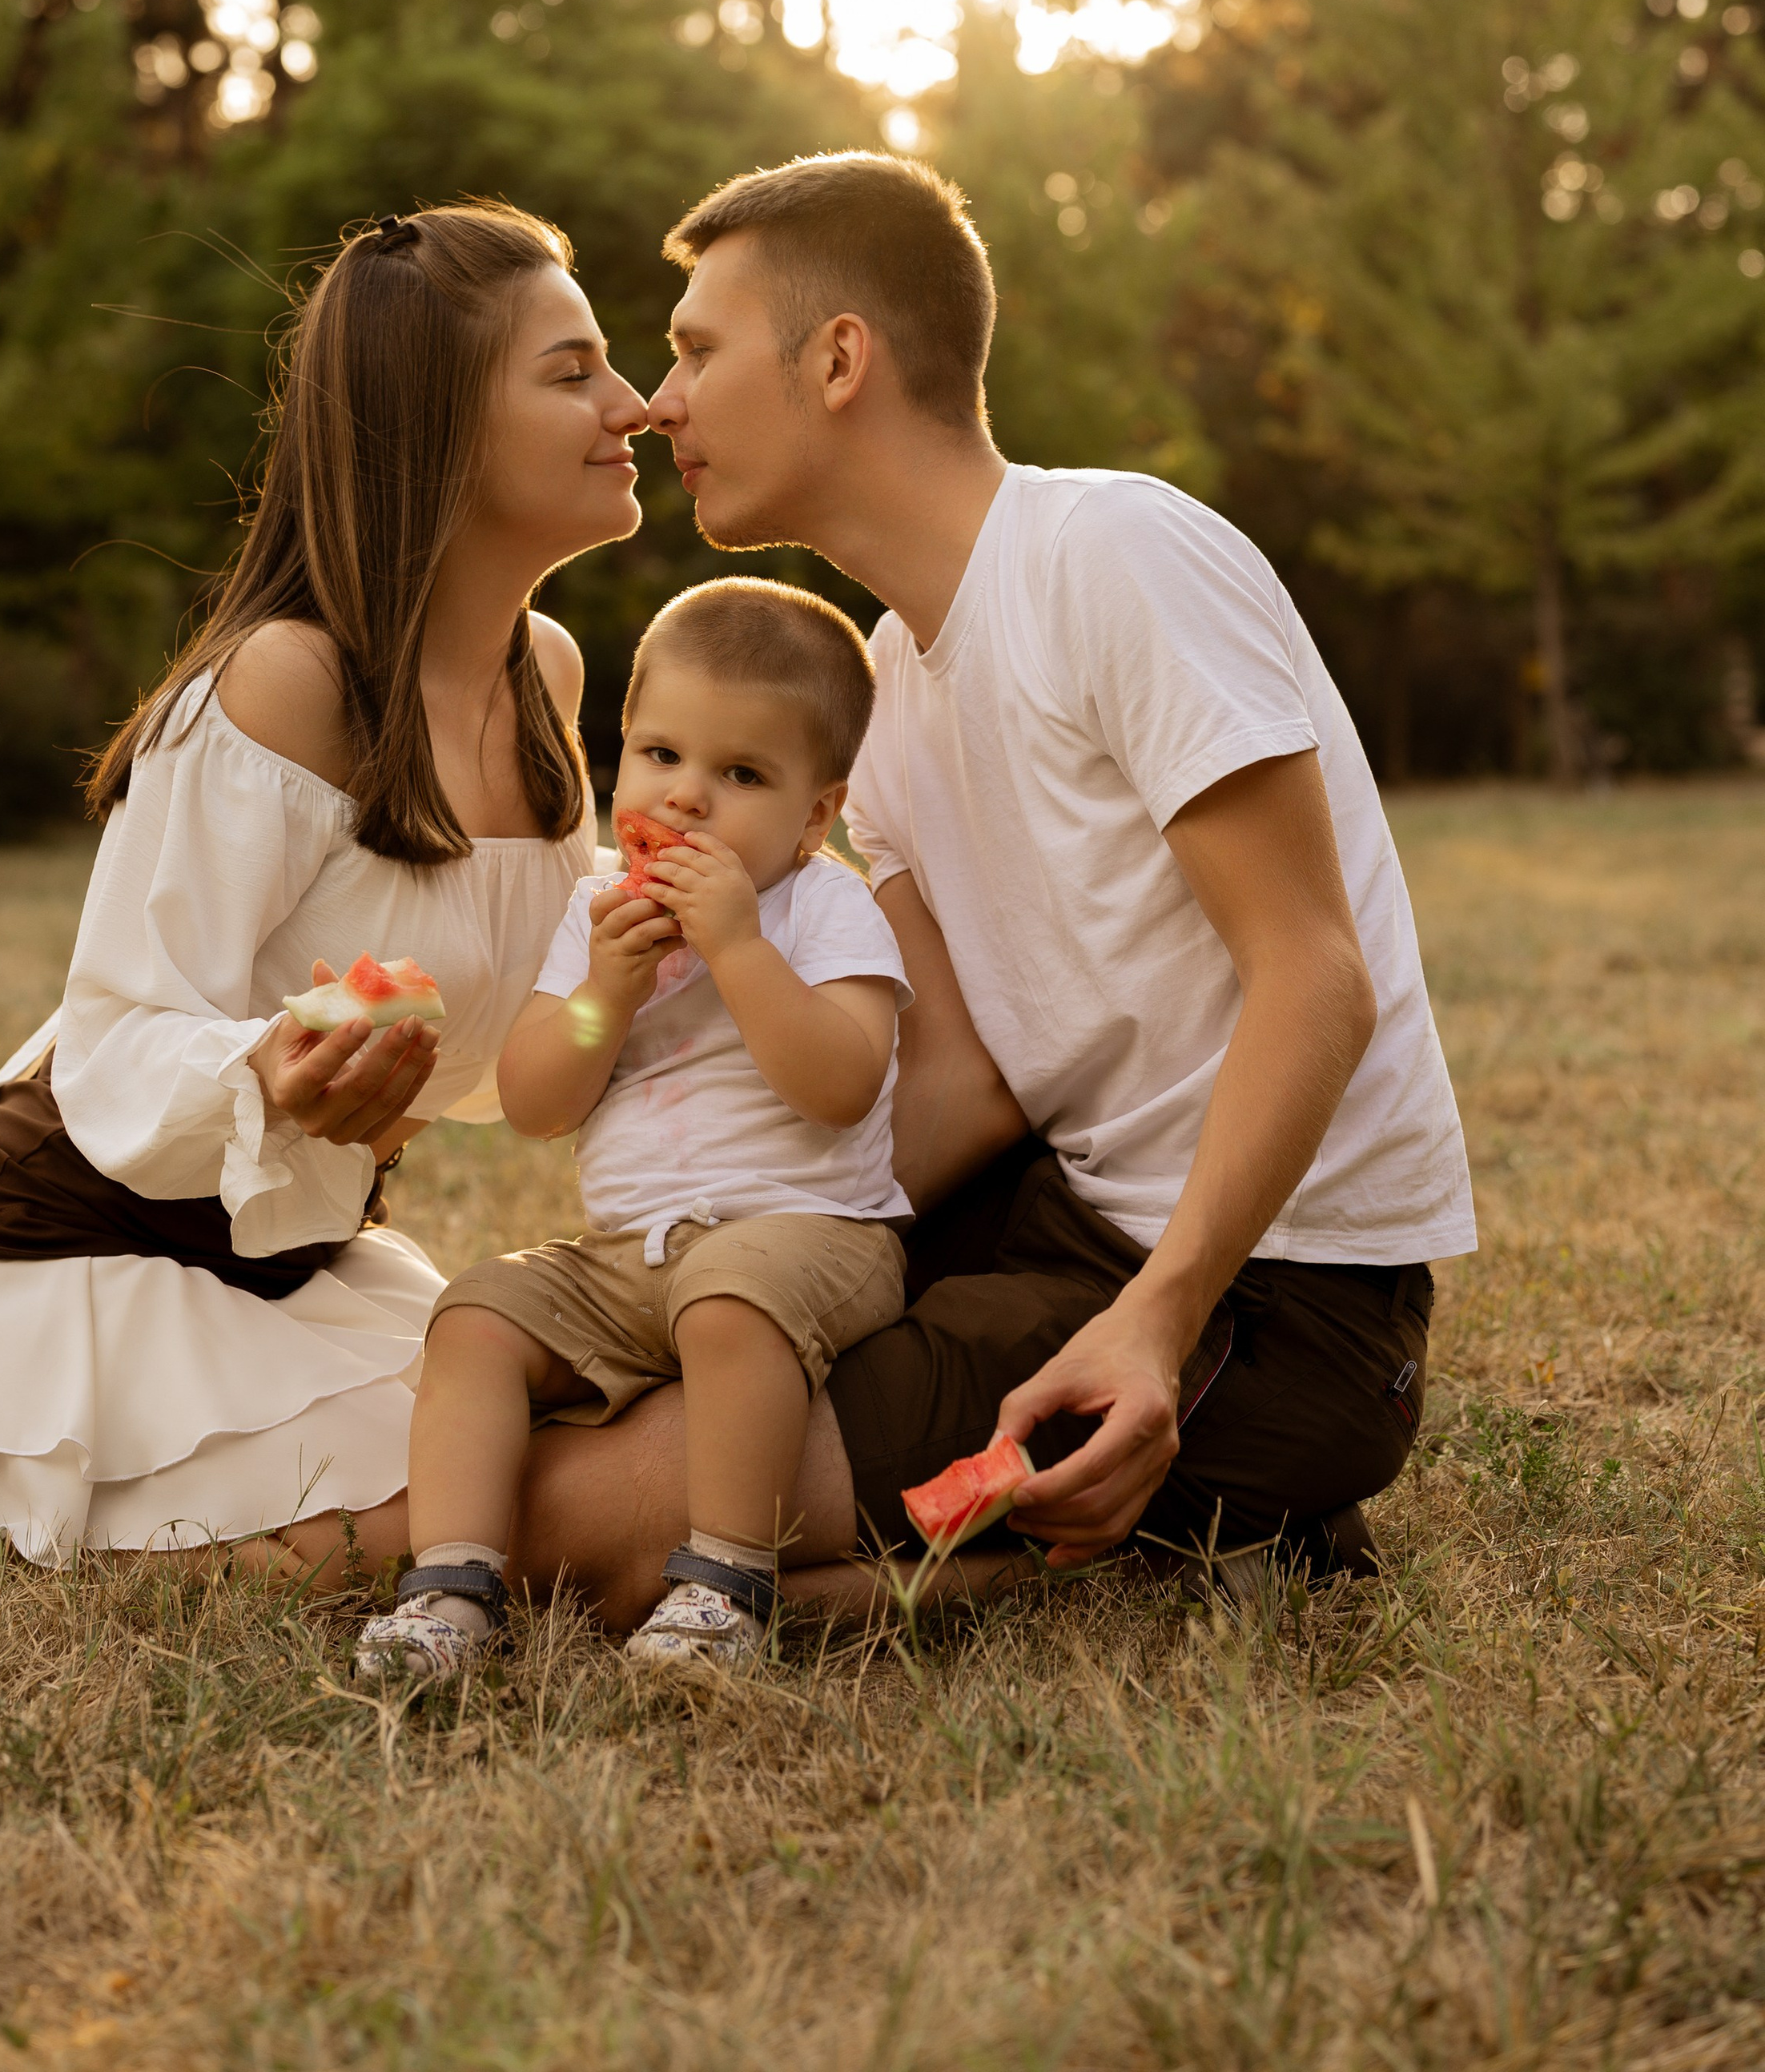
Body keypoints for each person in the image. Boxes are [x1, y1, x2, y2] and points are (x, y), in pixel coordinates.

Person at [510, 151, 1475, 1619]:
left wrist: (1158, 1321)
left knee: (582, 1520)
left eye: (697, 348)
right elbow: (964, 1087)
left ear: (840, 359)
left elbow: (1314, 974)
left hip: (1276, 1293)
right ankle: (1031, 1546)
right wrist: (716, 1233)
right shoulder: (882, 687)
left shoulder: (1116, 554)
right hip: (1054, 1214)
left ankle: (1059, 1546)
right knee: (617, 1387)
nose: (659, 401)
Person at [0, 203, 647, 1583]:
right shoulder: (287, 684)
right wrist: (274, 1068)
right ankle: (21, 1529)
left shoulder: (549, 680)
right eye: (572, 371)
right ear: (438, 421)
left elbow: (528, 1031)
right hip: (74, 1275)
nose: (630, 405)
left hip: (287, 1259)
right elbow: (115, 1039)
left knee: (565, 1452)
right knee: (490, 1521)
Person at [355, 577, 911, 1680]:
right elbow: (535, 1102)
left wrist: (741, 952)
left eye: (741, 775)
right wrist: (608, 985)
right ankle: (452, 1591)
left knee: (731, 1297)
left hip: (813, 1234)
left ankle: (723, 1586)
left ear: (813, 814)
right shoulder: (598, 917)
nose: (689, 799)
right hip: (630, 1258)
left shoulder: (822, 905)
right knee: (475, 1314)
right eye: (661, 757)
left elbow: (841, 1083)